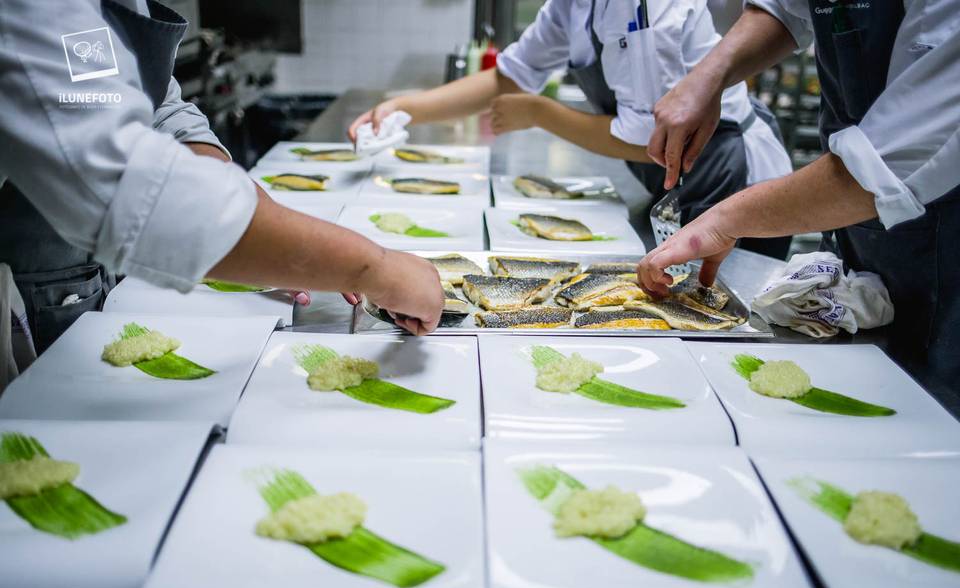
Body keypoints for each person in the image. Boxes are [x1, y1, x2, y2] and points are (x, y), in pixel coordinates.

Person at [0, 0, 444, 354]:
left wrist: (270, 231)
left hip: (84, 270)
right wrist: (371, 267)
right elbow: (130, 189)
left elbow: (162, 108)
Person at [637, 1, 960, 407]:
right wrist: (710, 76)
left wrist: (722, 221)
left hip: (946, 244)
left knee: (931, 421)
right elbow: (786, 10)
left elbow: (884, 167)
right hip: (860, 230)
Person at [348, 0, 794, 257]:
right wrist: (404, 108)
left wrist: (542, 113)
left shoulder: (650, 7)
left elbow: (647, 145)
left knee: (725, 329)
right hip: (674, 187)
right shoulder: (573, 4)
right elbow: (510, 76)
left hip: (731, 180)